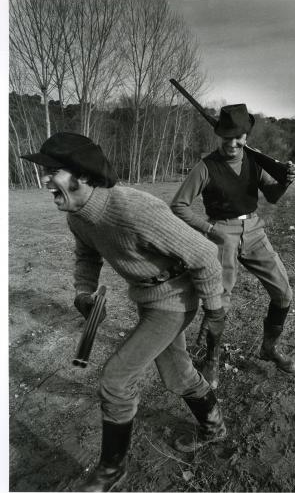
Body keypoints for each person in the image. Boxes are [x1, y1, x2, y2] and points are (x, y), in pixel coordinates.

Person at [21, 132, 227, 492]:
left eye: (52, 170)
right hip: (148, 299)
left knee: (116, 379)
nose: (44, 180)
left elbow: (205, 254)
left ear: (82, 176)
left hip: (176, 299)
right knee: (177, 375)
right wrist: (83, 292)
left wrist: (214, 307)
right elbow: (87, 255)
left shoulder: (134, 210)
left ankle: (112, 469)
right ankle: (214, 426)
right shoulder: (78, 215)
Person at [171, 104, 295, 386]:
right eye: (225, 137)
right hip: (221, 232)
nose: (231, 143)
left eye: (237, 137)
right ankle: (211, 359)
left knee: (284, 293)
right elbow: (178, 205)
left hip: (255, 230)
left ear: (246, 135)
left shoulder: (255, 160)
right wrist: (210, 229)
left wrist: (287, 180)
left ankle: (268, 349)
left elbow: (273, 195)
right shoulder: (205, 167)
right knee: (219, 301)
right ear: (218, 136)